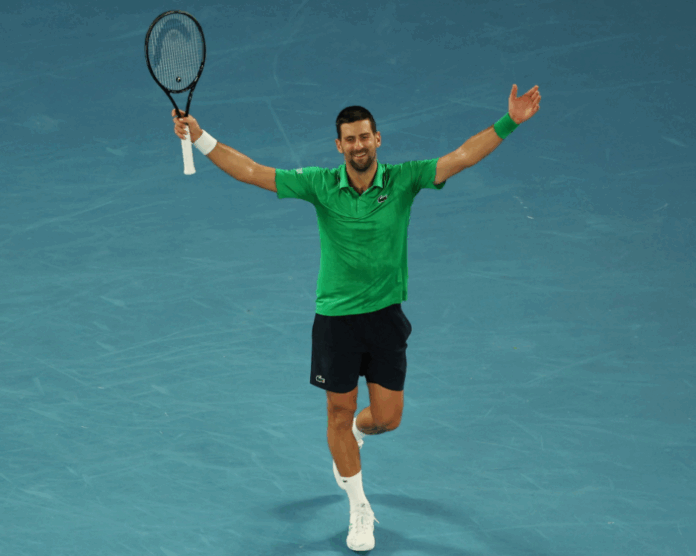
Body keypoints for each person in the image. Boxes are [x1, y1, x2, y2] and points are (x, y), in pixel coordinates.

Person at [171, 84, 541, 552]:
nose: (358, 145)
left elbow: (462, 157)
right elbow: (251, 171)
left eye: (365, 137)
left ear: (377, 139)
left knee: (386, 419)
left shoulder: (404, 179)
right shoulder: (321, 185)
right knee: (338, 412)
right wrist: (201, 136)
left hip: (385, 319)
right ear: (339, 145)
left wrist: (510, 121)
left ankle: (353, 438)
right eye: (350, 139)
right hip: (337, 322)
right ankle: (359, 506)